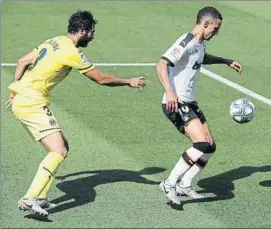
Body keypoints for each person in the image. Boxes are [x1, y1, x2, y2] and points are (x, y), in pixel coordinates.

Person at [6, 10, 146, 216]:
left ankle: (41, 197)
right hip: (31, 103)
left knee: (63, 147)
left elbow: (22, 61)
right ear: (82, 30)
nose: (93, 36)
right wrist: (128, 81)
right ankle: (29, 198)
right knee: (58, 151)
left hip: (23, 98)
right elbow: (101, 79)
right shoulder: (71, 51)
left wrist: (14, 89)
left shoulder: (54, 41)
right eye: (91, 32)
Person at [156, 6, 242, 205]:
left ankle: (185, 184)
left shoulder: (200, 43)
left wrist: (225, 61)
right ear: (205, 24)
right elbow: (161, 64)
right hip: (176, 102)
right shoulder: (186, 40)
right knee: (201, 144)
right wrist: (170, 91)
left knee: (210, 147)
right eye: (215, 28)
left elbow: (201, 58)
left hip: (190, 103)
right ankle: (169, 183)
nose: (216, 32)